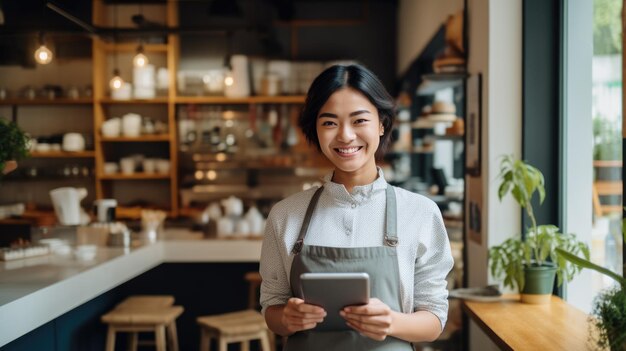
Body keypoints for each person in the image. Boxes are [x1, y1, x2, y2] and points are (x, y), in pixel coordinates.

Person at [259, 64, 454, 350]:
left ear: (382, 124)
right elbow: (271, 307)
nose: (345, 136)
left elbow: (435, 319)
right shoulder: (286, 215)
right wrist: (286, 319)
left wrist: (393, 322)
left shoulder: (420, 213)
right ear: (314, 128)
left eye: (359, 120)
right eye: (329, 123)